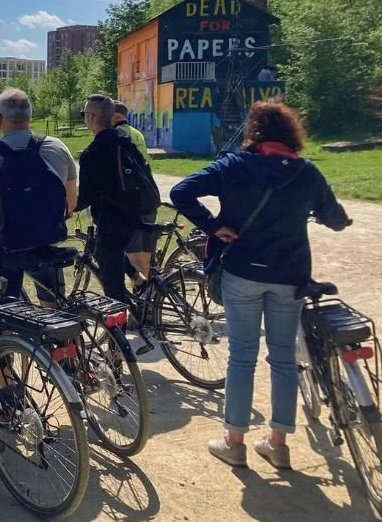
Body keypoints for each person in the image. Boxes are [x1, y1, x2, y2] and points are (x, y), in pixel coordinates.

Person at [171, 101, 350, 470]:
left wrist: (212, 225)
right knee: (283, 357)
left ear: (253, 132)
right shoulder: (306, 172)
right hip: (290, 276)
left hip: (242, 273)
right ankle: (278, 444)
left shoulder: (234, 165)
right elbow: (334, 218)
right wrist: (339, 221)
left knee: (242, 357)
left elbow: (181, 192)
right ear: (291, 134)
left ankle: (234, 442)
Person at [0, 88, 76, 303]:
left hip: (7, 246)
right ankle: (59, 330)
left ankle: (6, 332)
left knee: (6, 308)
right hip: (47, 239)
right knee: (55, 305)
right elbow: (72, 201)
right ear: (29, 116)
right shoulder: (57, 147)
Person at [75, 93, 142, 303]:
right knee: (107, 251)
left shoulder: (92, 153)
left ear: (92, 117)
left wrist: (67, 207)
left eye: (84, 114)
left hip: (112, 221)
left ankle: (118, 332)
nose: (84, 118)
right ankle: (137, 277)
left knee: (112, 287)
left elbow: (85, 196)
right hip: (135, 214)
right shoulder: (126, 141)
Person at [113, 101, 159, 286]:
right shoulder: (136, 133)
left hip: (134, 202)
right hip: (149, 198)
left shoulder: (119, 135)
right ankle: (145, 298)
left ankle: (142, 295)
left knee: (134, 253)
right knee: (145, 252)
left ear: (115, 116)